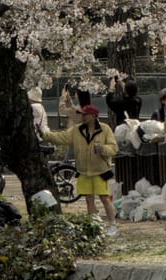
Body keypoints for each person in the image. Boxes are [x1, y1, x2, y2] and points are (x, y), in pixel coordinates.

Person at [45, 95, 119, 230]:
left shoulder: (105, 129)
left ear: (94, 116)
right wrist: (45, 134)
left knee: (104, 198)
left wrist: (103, 149)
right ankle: (94, 224)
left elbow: (114, 148)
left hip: (101, 170)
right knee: (89, 199)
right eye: (82, 114)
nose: (83, 117)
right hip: (84, 171)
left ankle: (112, 224)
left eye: (86, 114)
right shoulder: (77, 130)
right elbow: (61, 137)